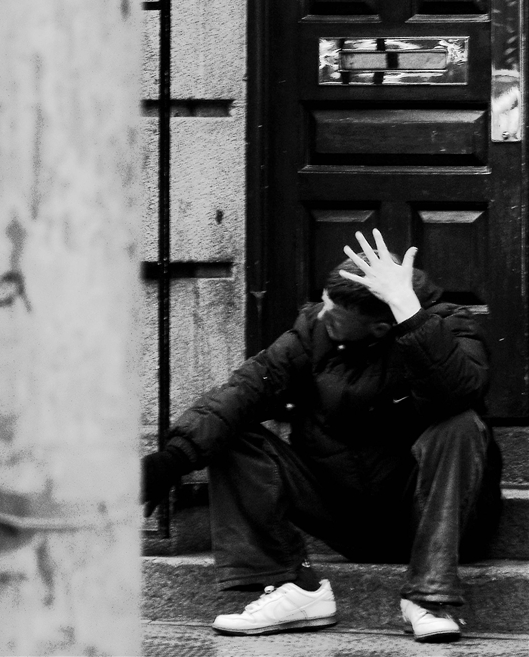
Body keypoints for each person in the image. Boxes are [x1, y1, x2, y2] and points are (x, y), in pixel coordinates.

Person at [141, 230, 502, 642]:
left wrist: (409, 311)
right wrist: (171, 459)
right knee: (233, 434)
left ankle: (429, 598)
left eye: (333, 314)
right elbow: (244, 391)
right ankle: (293, 588)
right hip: (344, 512)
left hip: (433, 518)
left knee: (460, 422)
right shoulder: (313, 330)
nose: (319, 314)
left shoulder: (451, 325)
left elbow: (458, 390)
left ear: (382, 327)